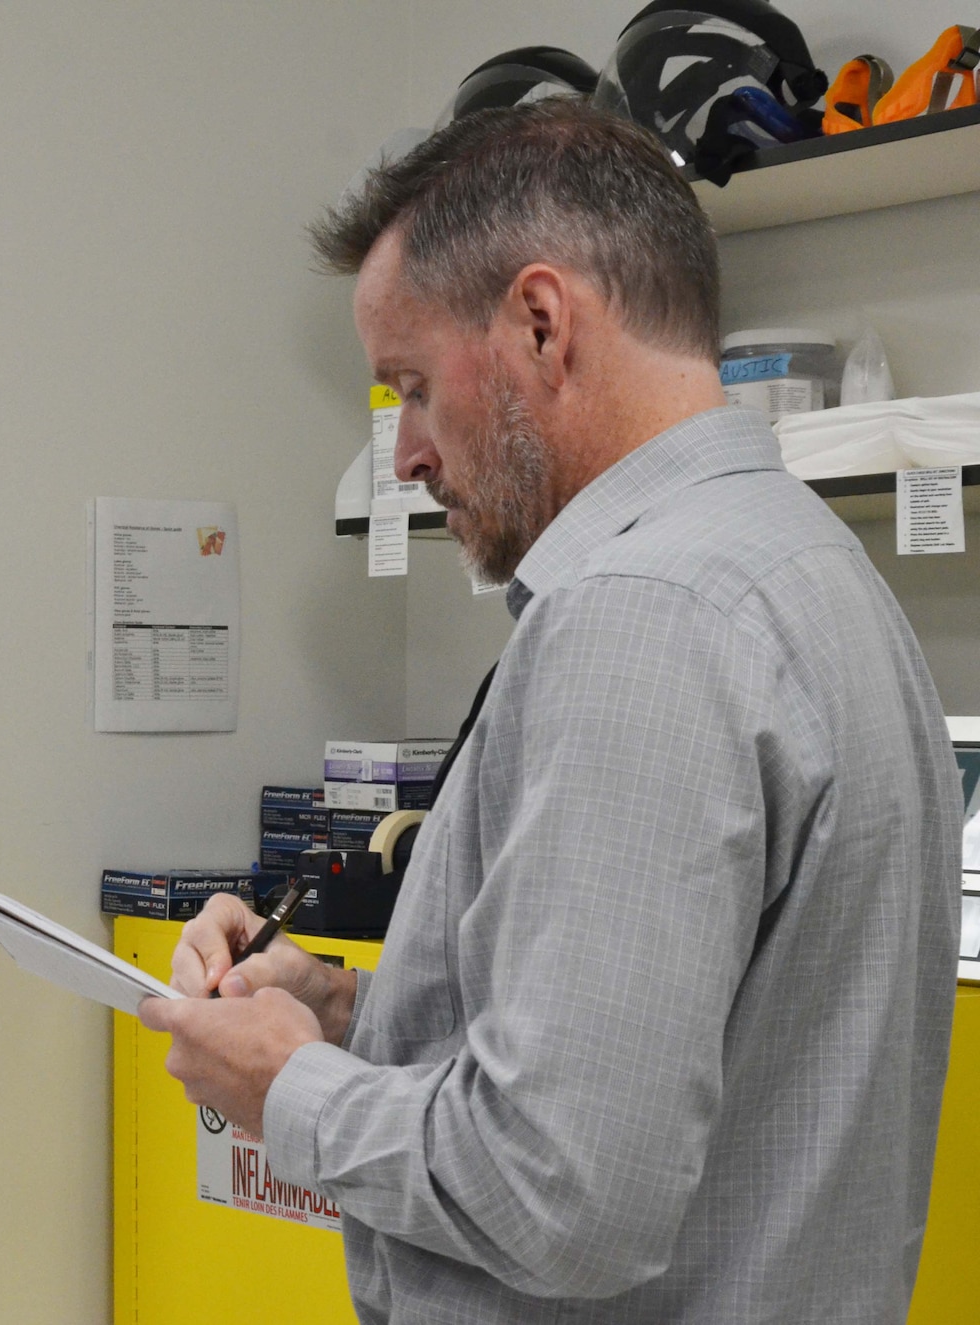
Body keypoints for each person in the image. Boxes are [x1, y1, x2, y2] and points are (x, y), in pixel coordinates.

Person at [140, 99, 960, 1323]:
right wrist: (344, 1013)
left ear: (539, 321)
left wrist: (291, 1086)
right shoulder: (803, 569)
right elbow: (672, 1062)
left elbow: (561, 1193)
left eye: (410, 387)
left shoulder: (639, 614)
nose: (406, 453)